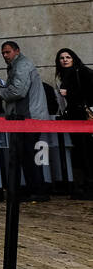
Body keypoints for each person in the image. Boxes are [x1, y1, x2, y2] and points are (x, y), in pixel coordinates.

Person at [0, 40, 50, 201]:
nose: (5, 55)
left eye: (7, 52)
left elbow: (18, 91)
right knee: (27, 154)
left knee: (29, 154)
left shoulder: (22, 65)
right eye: (3, 53)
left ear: (17, 51)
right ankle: (35, 188)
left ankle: (38, 190)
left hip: (28, 117)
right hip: (26, 116)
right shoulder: (19, 64)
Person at [56, 48, 93, 196]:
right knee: (79, 150)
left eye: (68, 57)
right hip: (73, 117)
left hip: (83, 117)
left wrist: (69, 93)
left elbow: (89, 92)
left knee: (86, 150)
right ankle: (84, 184)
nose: (65, 60)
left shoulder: (81, 72)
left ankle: (89, 185)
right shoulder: (63, 75)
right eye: (62, 58)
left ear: (74, 58)